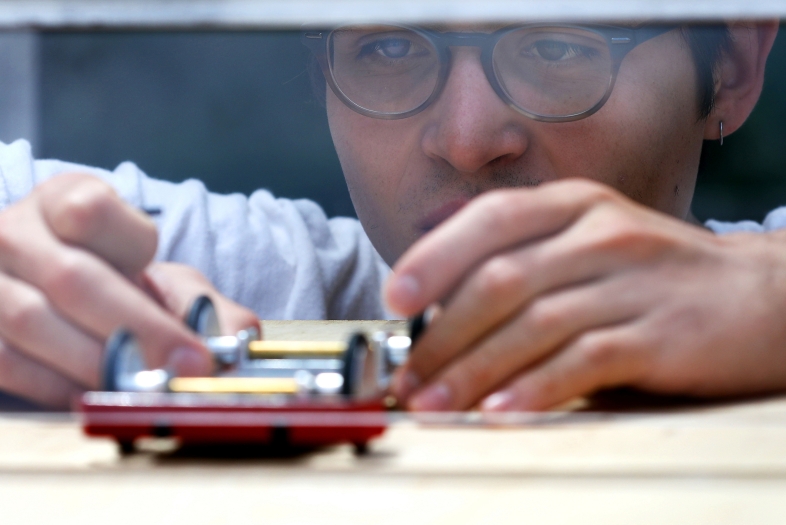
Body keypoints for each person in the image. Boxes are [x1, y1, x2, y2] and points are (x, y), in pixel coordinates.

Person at [0, 20, 782, 411]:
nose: (468, 140)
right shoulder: (257, 285)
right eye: (388, 48)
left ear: (734, 70)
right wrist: (44, 292)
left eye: (555, 47)